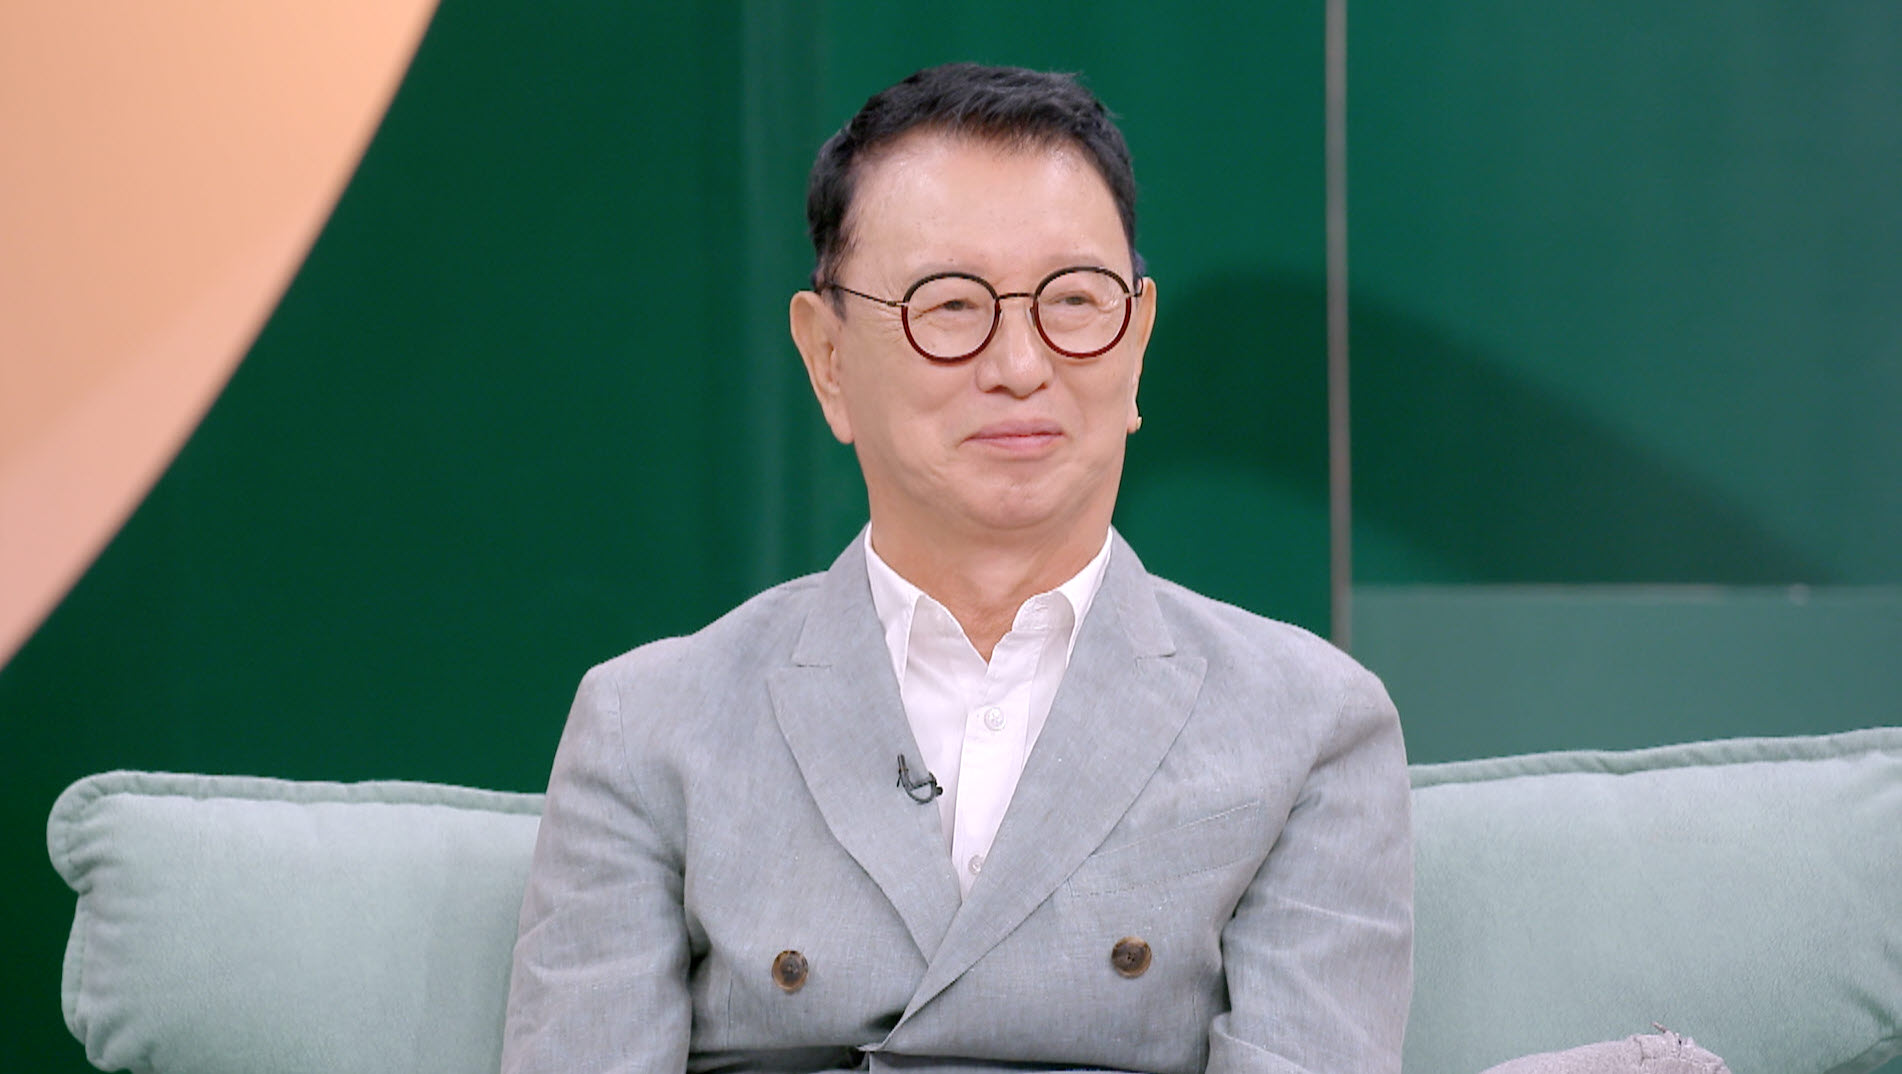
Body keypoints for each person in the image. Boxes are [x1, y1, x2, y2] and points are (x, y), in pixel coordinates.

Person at [501, 62, 1413, 1074]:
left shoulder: (1310, 727)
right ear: (828, 358)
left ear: (1138, 344)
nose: (1021, 365)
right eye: (949, 307)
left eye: (1074, 301)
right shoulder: (647, 729)